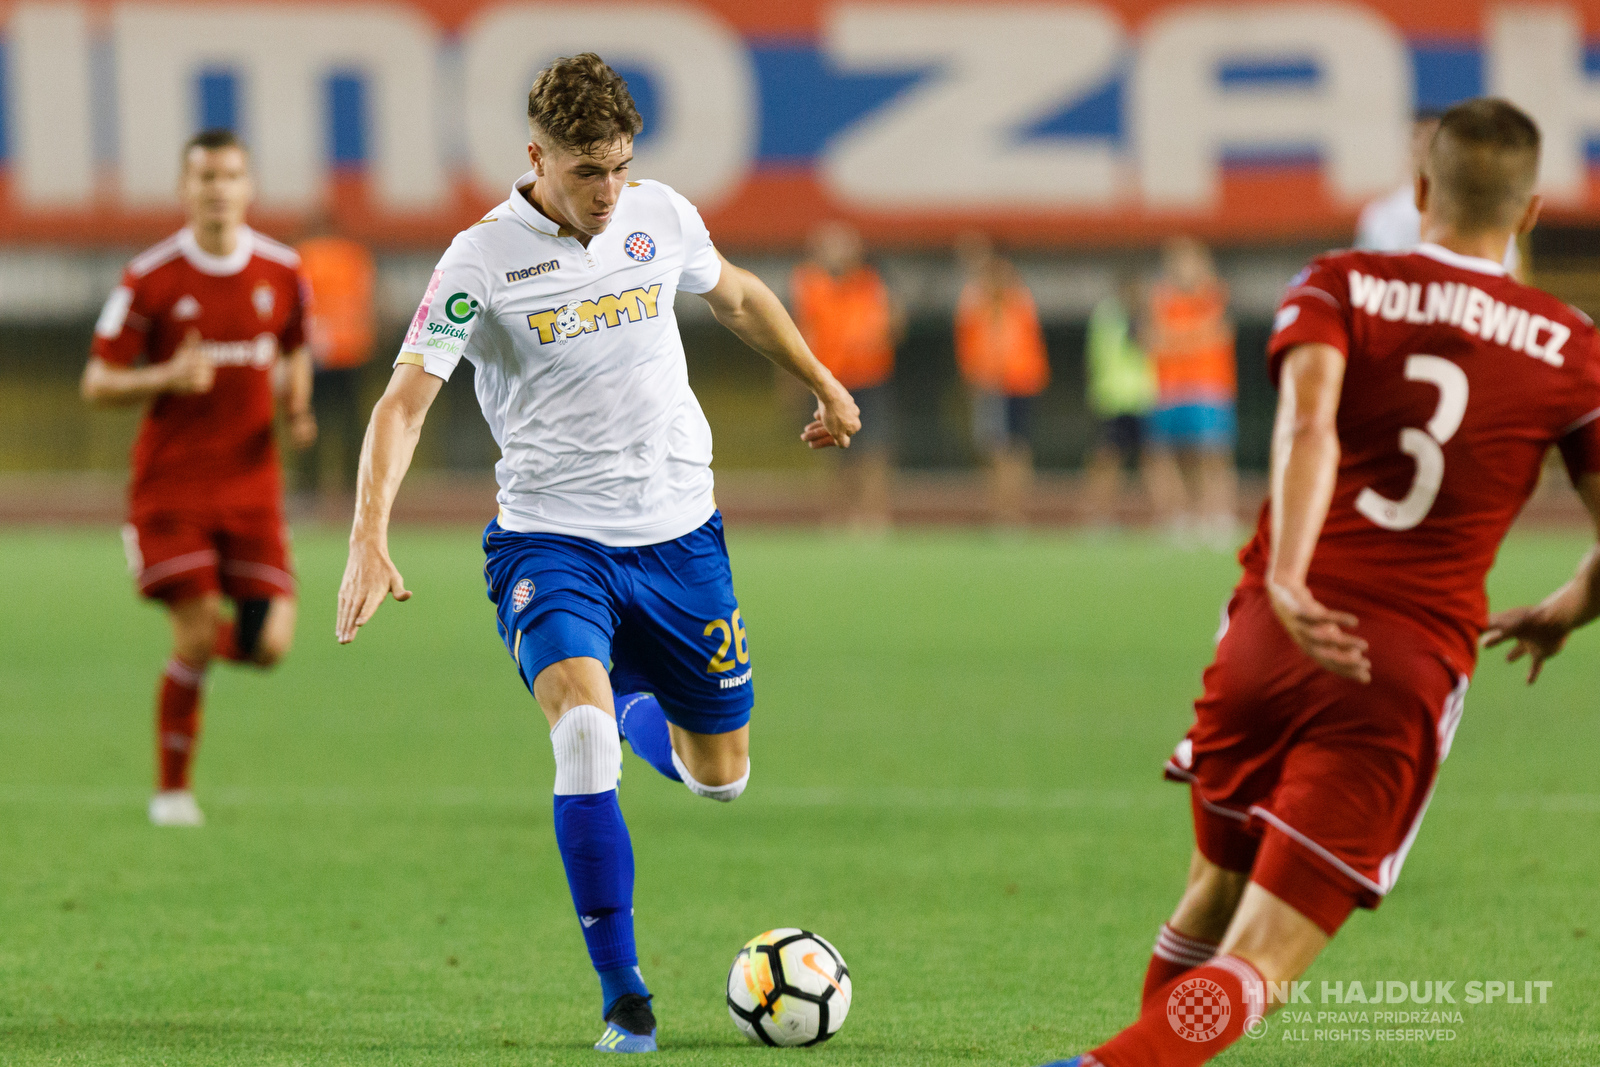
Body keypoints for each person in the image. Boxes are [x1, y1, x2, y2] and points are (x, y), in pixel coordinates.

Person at [1036, 98, 1600, 1067]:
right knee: (1263, 958)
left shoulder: (1339, 282)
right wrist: (1565, 608)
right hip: (1401, 667)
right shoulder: (1567, 345)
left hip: (1267, 633)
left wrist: (1289, 584)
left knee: (1210, 893)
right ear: (1530, 213)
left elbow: (1304, 425)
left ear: (1420, 188)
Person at [333, 54, 859, 1054]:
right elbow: (404, 398)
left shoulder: (659, 214)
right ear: (537, 157)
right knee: (578, 743)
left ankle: (627, 704)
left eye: (619, 166)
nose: (608, 190)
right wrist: (369, 532)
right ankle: (624, 994)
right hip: (550, 539)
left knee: (722, 779)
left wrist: (822, 381)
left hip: (680, 536)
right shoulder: (477, 262)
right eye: (586, 172)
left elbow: (737, 294)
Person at [81, 129, 317, 827]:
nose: (218, 188)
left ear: (249, 187)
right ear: (184, 189)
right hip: (173, 490)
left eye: (230, 175)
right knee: (193, 634)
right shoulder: (149, 278)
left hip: (252, 490)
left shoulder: (281, 270)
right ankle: (172, 791)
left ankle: (187, 666)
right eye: (205, 176)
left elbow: (298, 346)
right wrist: (166, 375)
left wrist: (297, 404)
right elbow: (97, 380)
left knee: (270, 645)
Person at [789, 221, 900, 530]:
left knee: (873, 449)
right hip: (829, 380)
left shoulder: (872, 280)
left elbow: (893, 324)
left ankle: (874, 517)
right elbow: (800, 331)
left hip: (869, 376)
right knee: (831, 450)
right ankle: (837, 517)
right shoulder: (810, 282)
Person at [1142, 238, 1237, 547]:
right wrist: (1191, 337)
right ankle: (1182, 516)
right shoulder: (1160, 298)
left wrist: (1177, 340)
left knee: (1213, 454)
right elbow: (1152, 338)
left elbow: (1216, 332)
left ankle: (1219, 514)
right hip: (1171, 388)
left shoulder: (1214, 294)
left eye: (1189, 260)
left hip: (1209, 386)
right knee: (1174, 455)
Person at [954, 233, 1051, 526]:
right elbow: (968, 346)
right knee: (994, 448)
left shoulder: (1014, 297)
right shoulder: (973, 300)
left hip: (1016, 382)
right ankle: (1001, 511)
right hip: (990, 385)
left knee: (1014, 448)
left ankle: (1012, 512)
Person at [1356, 109, 1523, 276]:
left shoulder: (1483, 211)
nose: (1423, 143)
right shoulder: (1381, 213)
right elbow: (1362, 275)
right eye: (1416, 135)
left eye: (1431, 135)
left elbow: (1511, 277)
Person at [296, 221, 377, 500]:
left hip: (315, 354)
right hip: (352, 351)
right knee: (352, 424)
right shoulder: (354, 255)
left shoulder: (302, 256)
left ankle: (309, 490)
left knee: (309, 421)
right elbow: (371, 300)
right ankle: (354, 489)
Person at [1082, 275, 1159, 527]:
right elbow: (1147, 345)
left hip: (1122, 396)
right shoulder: (1129, 315)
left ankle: (1100, 515)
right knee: (1125, 459)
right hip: (1130, 396)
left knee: (1138, 459)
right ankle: (1101, 515)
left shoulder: (1103, 315)